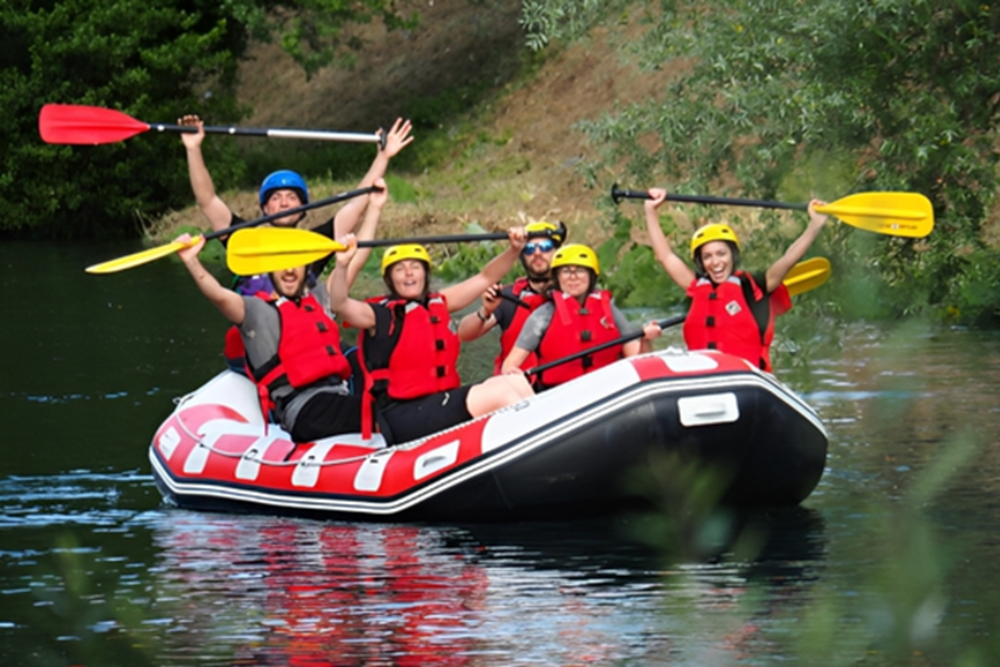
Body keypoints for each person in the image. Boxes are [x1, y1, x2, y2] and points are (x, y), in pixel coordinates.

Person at [173, 184, 389, 443]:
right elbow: (218, 294)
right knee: (384, 411)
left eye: (296, 265)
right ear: (271, 271)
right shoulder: (254, 312)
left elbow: (358, 258)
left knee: (391, 394)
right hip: (303, 409)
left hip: (337, 397)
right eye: (282, 265)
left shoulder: (320, 299)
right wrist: (191, 261)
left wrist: (375, 208)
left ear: (305, 270)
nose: (289, 271)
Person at [329, 232, 536, 445]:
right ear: (390, 279)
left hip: (437, 402)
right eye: (399, 269)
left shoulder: (439, 303)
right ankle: (536, 447)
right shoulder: (379, 316)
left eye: (415, 267)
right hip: (402, 416)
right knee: (502, 393)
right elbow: (340, 304)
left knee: (514, 381)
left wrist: (514, 250)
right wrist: (342, 265)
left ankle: (539, 442)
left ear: (425, 274)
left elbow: (485, 278)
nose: (409, 273)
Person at [177, 113, 413, 295]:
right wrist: (193, 148)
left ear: (303, 210)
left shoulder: (316, 243)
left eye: (291, 197)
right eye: (275, 198)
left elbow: (356, 204)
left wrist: (383, 157)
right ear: (265, 209)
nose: (284, 203)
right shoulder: (243, 237)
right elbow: (207, 199)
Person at [642, 187, 829, 371]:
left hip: (745, 376)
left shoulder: (755, 286)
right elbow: (665, 256)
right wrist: (651, 210)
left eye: (721, 254)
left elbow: (789, 259)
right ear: (701, 262)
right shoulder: (697, 286)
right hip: (703, 377)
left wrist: (815, 225)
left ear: (732, 255)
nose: (715, 262)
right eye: (707, 257)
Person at [500, 244, 662, 389]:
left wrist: (646, 340)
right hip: (559, 393)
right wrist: (514, 375)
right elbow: (509, 365)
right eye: (566, 271)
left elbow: (639, 360)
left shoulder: (609, 312)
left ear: (591, 276)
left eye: (580, 270)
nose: (573, 277)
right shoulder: (544, 315)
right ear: (557, 277)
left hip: (607, 389)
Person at [457, 220, 567, 374]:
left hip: (565, 382)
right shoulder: (509, 296)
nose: (537, 253)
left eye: (545, 247)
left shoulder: (574, 293)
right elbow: (464, 334)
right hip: (516, 383)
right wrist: (485, 311)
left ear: (557, 252)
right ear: (522, 256)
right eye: (529, 249)